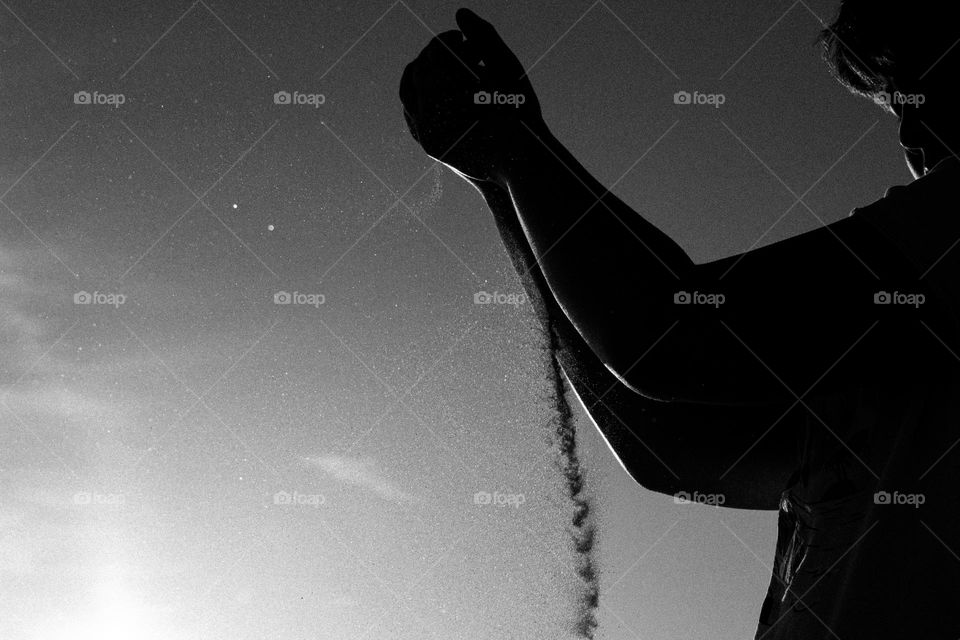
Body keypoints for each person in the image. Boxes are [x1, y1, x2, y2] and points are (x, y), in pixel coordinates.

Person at [400, 3, 960, 637]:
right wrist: (501, 178)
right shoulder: (909, 365)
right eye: (896, 101)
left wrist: (517, 150)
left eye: (931, 84)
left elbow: (663, 332)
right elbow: (661, 440)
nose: (911, 130)